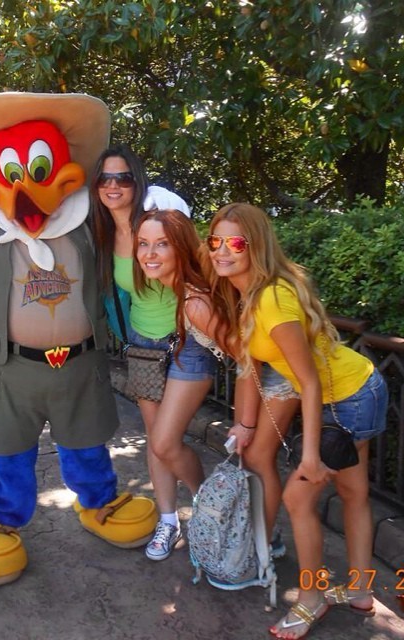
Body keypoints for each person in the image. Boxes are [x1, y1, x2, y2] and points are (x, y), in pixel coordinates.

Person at [0, 92, 157, 587]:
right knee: (8, 449)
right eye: (13, 174)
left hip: (80, 364)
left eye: (39, 169)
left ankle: (99, 503)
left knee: (87, 440)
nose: (27, 188)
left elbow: (140, 215)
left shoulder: (87, 214)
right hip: (11, 368)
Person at [205, 203, 387, 639]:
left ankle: (311, 598)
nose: (222, 251)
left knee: (298, 498)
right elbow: (254, 368)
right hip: (352, 389)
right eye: (215, 241)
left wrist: (308, 456)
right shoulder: (249, 294)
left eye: (235, 242)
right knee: (354, 493)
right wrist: (245, 424)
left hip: (352, 397)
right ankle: (360, 590)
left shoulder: (272, 298)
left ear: (256, 246)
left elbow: (308, 381)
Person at [135, 208, 300, 557]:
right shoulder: (186, 290)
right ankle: (244, 530)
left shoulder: (194, 302)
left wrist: (246, 422)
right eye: (143, 244)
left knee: (256, 458)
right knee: (250, 459)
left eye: (161, 244)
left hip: (279, 371)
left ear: (180, 248)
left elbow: (248, 356)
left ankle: (256, 539)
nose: (149, 254)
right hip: (262, 368)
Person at [89, 145, 217, 562]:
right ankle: (167, 519)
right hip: (142, 344)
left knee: (166, 442)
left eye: (123, 177)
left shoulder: (158, 219)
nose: (113, 186)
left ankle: (210, 507)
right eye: (105, 178)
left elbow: (198, 266)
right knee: (156, 439)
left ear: (137, 180)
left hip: (185, 342)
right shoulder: (102, 234)